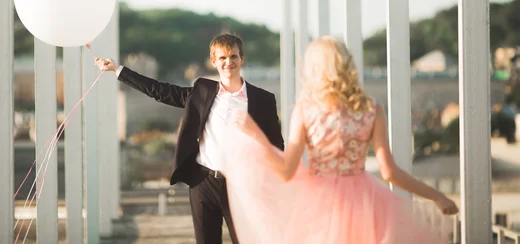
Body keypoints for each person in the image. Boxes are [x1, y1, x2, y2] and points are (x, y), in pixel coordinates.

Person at [218, 36, 459, 244]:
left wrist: (256, 135)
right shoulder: (371, 109)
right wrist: (436, 196)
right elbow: (389, 172)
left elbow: (286, 171)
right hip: (366, 204)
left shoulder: (305, 111)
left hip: (317, 206)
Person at [96, 33, 284, 244]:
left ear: (242, 58)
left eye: (233, 56)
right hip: (203, 183)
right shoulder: (202, 91)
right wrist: (118, 70)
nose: (228, 62)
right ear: (213, 61)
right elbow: (160, 91)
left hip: (241, 186)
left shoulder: (263, 100)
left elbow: (277, 147)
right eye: (222, 58)